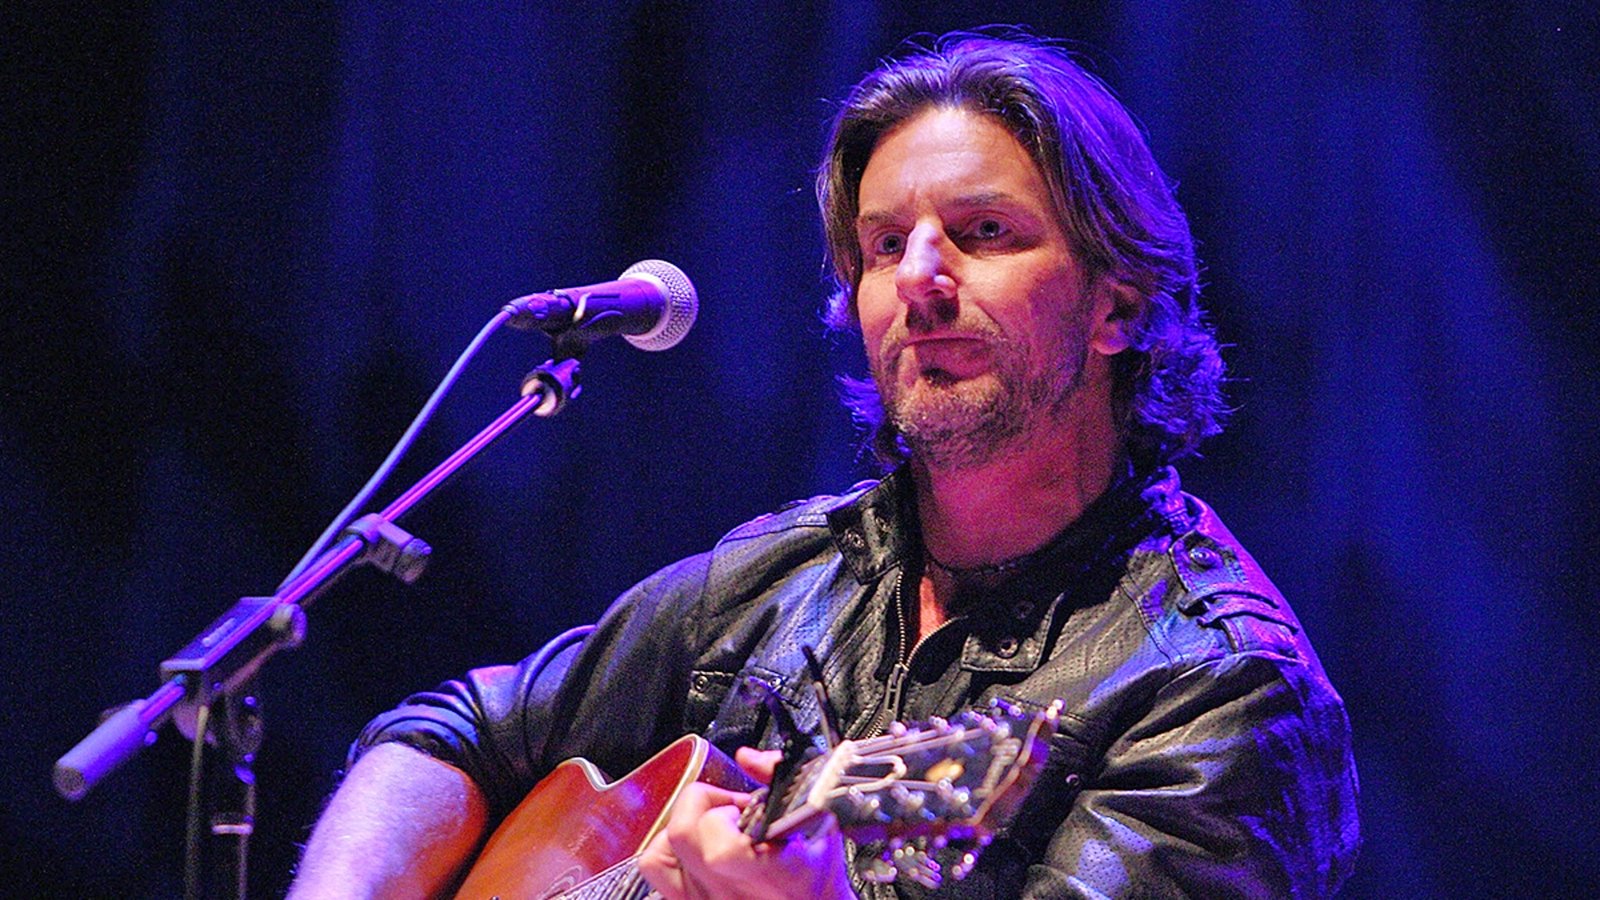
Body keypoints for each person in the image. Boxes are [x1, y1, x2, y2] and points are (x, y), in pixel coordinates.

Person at [290, 29, 1360, 898]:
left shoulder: (1214, 689)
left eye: (985, 231)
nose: (919, 277)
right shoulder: (780, 578)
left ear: (1118, 305)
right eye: (884, 245)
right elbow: (450, 734)